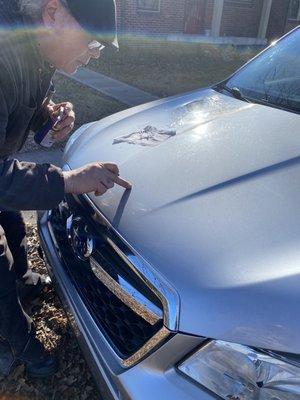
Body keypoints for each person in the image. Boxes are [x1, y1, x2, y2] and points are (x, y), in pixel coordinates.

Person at [0, 0, 131, 378]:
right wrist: (67, 181)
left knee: (12, 224)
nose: (93, 55)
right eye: (92, 43)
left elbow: (20, 98)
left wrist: (48, 113)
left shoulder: (32, 48)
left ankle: (24, 282)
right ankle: (19, 344)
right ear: (53, 12)